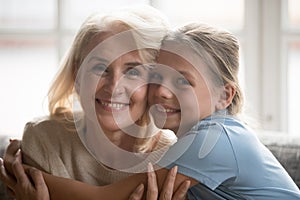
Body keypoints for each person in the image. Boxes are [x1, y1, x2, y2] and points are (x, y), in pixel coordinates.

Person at [4, 22, 300, 199]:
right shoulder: (195, 143)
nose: (162, 91)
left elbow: (103, 197)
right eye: (157, 76)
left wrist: (19, 173)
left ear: (224, 96)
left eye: (183, 80)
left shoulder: (213, 143)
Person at [0, 5, 191, 200]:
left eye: (133, 71)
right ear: (77, 76)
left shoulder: (173, 159)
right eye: (100, 67)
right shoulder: (45, 140)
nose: (114, 86)